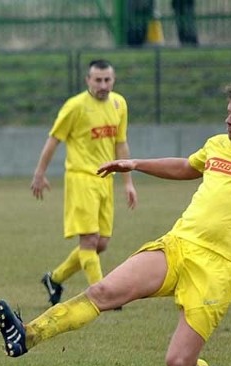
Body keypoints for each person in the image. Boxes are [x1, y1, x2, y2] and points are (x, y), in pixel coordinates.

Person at [0, 79, 231, 366]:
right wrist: (135, 164)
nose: (228, 120)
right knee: (103, 292)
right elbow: (186, 167)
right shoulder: (218, 144)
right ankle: (29, 334)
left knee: (179, 364)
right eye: (228, 113)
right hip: (179, 244)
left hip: (218, 267)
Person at [32, 59, 137, 307]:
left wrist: (128, 182)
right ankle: (103, 295)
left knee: (100, 244)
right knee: (89, 241)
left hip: (105, 180)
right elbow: (54, 139)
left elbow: (120, 143)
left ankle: (54, 279)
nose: (103, 85)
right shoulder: (75, 106)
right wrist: (40, 173)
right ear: (87, 81)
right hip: (81, 179)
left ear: (113, 80)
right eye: (98, 80)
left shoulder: (119, 103)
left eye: (107, 80)